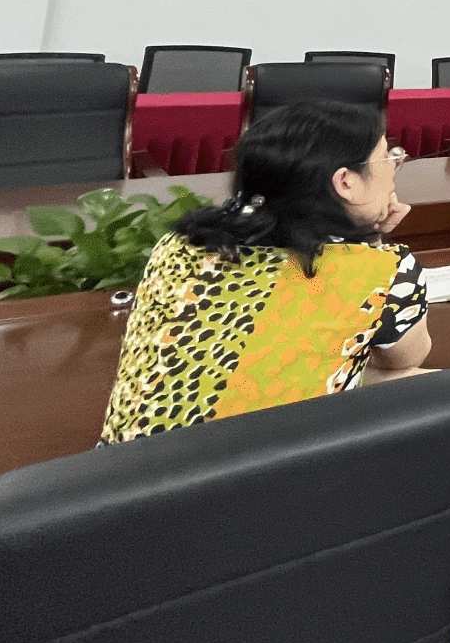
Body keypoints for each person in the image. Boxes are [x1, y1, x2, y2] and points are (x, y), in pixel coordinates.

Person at [99, 101, 431, 444]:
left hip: (123, 468)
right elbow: (404, 360)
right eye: (387, 158)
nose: (394, 168)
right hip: (252, 473)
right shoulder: (381, 271)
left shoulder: (178, 244)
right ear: (345, 182)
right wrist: (373, 242)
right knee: (431, 383)